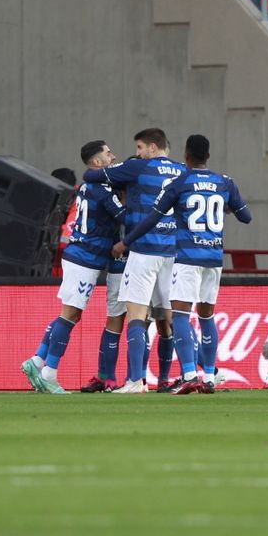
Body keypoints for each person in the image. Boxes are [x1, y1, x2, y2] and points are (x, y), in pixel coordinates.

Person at [120, 134, 251, 393]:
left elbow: (152, 218)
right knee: (207, 316)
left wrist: (126, 241)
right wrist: (226, 207)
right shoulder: (225, 182)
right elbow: (246, 217)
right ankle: (210, 376)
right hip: (214, 258)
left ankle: (190, 374)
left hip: (188, 258)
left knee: (180, 315)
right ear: (208, 157)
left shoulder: (180, 183)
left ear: (187, 157)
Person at [84, 128, 184, 394]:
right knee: (171, 319)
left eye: (140, 147)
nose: (137, 153)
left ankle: (136, 380)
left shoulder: (137, 171)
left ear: (151, 147)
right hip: (173, 253)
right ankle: (191, 374)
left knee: (137, 318)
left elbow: (91, 175)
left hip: (141, 254)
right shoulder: (181, 170)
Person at [23, 139, 124, 394]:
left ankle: (36, 361)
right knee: (70, 315)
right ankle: (49, 373)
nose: (113, 157)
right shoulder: (101, 189)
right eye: (108, 154)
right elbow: (123, 216)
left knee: (70, 314)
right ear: (97, 162)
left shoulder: (92, 186)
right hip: (84, 258)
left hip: (82, 256)